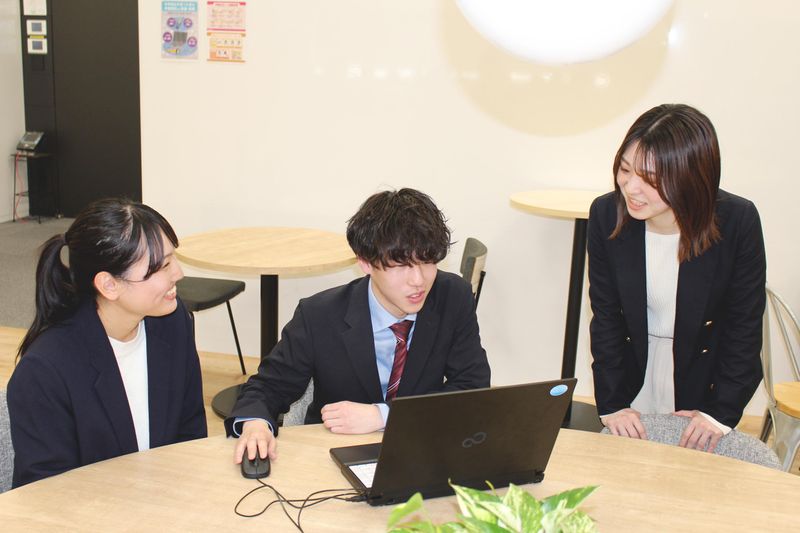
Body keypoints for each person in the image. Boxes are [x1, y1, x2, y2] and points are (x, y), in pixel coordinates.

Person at [227, 188, 490, 464]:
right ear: (365, 262)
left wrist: (383, 415)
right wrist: (255, 424)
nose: (418, 280)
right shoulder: (319, 315)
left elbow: (473, 387)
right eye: (401, 265)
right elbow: (268, 387)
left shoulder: (452, 297)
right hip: (333, 454)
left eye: (427, 261)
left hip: (420, 449)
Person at [588, 104, 766, 454]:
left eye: (651, 179)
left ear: (691, 177)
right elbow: (606, 316)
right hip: (635, 367)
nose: (631, 188)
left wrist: (718, 413)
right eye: (625, 169)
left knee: (692, 475)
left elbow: (743, 326)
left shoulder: (737, 220)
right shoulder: (605, 213)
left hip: (702, 374)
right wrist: (612, 403)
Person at [7, 198, 207, 487]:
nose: (178, 273)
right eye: (162, 266)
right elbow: (46, 492)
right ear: (109, 285)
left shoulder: (173, 323)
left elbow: (190, 435)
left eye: (172, 258)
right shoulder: (45, 371)